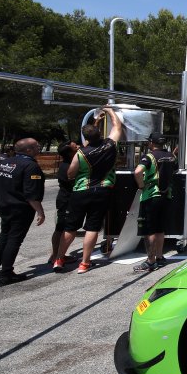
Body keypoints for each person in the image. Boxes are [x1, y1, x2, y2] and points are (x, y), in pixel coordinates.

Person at [53, 107, 123, 274]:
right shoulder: (110, 145)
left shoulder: (80, 153)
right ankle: (84, 263)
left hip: (81, 191)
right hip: (103, 190)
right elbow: (117, 126)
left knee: (70, 228)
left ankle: (59, 259)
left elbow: (71, 173)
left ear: (86, 138)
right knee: (92, 228)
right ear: (100, 134)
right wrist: (110, 110)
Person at [0, 138, 45, 287]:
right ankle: (6, 274)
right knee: (14, 240)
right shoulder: (30, 166)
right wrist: (40, 212)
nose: (39, 148)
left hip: (4, 206)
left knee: (3, 238)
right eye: (36, 146)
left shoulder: (5, 162)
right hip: (20, 208)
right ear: (28, 150)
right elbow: (31, 194)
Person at [132, 131, 177, 272]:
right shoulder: (171, 156)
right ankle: (160, 257)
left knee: (149, 230)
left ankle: (151, 262)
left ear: (151, 143)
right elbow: (174, 171)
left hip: (151, 196)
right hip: (166, 196)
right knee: (160, 228)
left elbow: (137, 172)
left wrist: (141, 185)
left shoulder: (149, 156)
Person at [50, 140, 79, 265]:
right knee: (63, 229)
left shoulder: (69, 163)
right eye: (76, 147)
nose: (79, 147)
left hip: (65, 200)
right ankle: (57, 257)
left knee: (60, 228)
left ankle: (56, 255)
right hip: (66, 201)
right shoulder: (68, 167)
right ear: (71, 153)